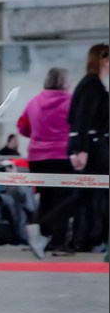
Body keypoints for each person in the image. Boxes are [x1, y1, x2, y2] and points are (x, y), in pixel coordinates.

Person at [18, 67, 74, 259]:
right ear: (64, 82)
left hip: (37, 158)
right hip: (62, 156)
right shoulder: (71, 102)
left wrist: (38, 136)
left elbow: (22, 127)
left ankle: (41, 238)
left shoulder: (34, 102)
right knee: (63, 199)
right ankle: (59, 242)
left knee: (45, 198)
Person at [67, 43, 109, 253]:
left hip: (93, 144)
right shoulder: (92, 85)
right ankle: (88, 238)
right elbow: (81, 119)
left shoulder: (93, 84)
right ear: (103, 60)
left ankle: (87, 238)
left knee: (87, 195)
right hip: (92, 146)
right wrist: (82, 150)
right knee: (92, 195)